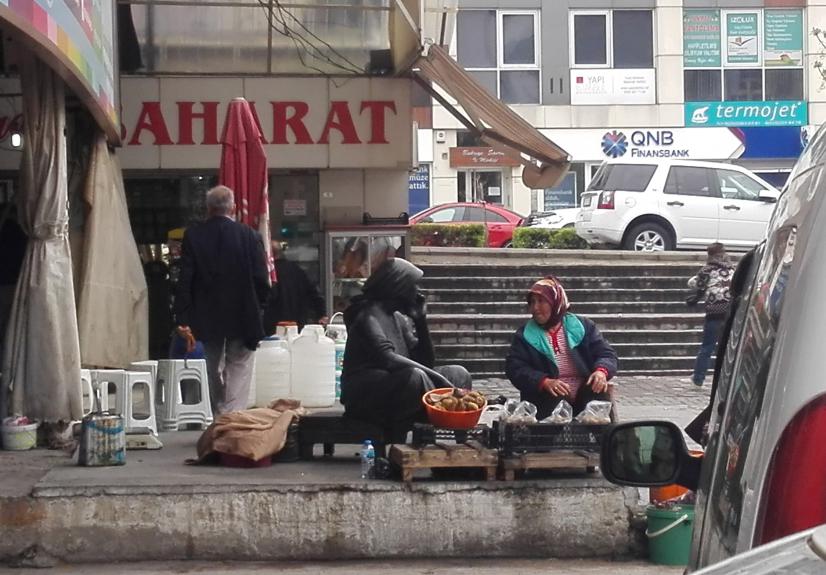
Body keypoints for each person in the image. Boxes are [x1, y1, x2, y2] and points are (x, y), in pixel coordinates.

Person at [340, 258, 471, 441]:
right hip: (366, 396)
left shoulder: (399, 319)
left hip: (398, 384)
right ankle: (425, 434)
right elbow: (387, 359)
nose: (418, 291)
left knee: (458, 374)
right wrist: (437, 378)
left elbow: (425, 362)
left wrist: (420, 321)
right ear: (398, 287)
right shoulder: (367, 317)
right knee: (416, 376)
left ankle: (455, 436)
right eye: (414, 285)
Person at [173, 186, 270, 415]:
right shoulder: (250, 236)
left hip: (207, 314)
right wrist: (261, 307)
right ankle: (230, 414)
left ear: (208, 209)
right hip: (243, 312)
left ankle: (221, 411)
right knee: (239, 366)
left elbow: (186, 278)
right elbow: (261, 278)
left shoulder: (194, 236)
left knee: (212, 365)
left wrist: (183, 316)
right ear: (233, 208)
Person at [505, 276, 618, 420]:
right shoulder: (525, 335)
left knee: (596, 391)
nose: (535, 308)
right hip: (548, 399)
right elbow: (514, 368)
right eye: (532, 302)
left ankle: (608, 440)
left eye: (541, 301)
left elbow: (606, 354)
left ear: (556, 302)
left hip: (583, 393)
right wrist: (543, 381)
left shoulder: (582, 326)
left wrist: (601, 372)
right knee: (556, 396)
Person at [688, 243, 735, 387]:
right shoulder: (732, 269)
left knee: (707, 347)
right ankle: (724, 382)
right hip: (729, 313)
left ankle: (698, 380)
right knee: (726, 349)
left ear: (710, 255)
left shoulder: (707, 270)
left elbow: (694, 284)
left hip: (714, 313)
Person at [263, 241, 327, 334]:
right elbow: (314, 293)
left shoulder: (268, 273)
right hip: (297, 322)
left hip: (274, 325)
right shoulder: (297, 270)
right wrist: (321, 313)